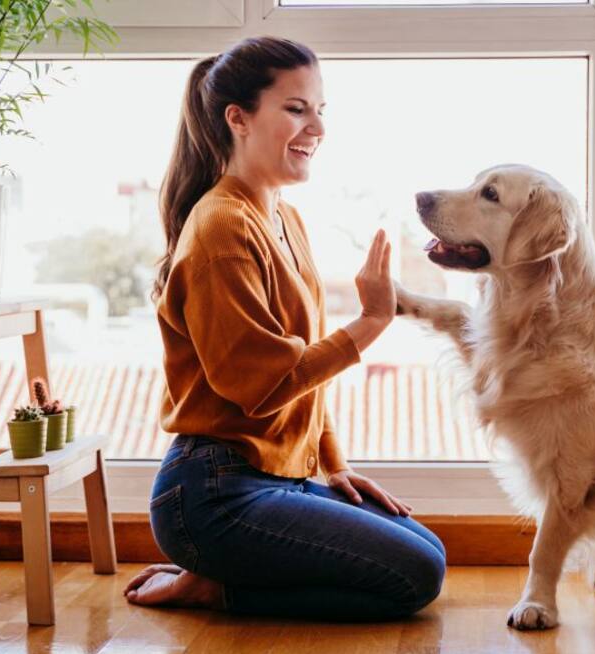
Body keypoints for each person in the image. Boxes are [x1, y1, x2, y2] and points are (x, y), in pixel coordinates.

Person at [123, 36, 446, 621]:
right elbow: (263, 386)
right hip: (213, 493)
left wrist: (333, 463)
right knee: (415, 577)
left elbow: (302, 376)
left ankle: (220, 575)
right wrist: (372, 321)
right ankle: (213, 587)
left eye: (321, 110)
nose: (316, 127)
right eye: (296, 109)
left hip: (277, 475)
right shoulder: (221, 229)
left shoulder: (282, 216)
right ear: (238, 119)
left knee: (428, 550)